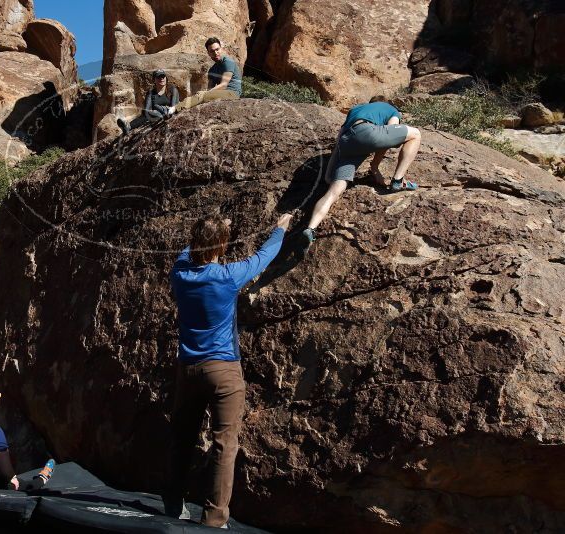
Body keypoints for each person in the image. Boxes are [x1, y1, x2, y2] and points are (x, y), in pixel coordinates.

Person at [165, 213, 292, 528]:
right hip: (223, 370)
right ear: (221, 247)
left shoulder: (180, 272)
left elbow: (188, 250)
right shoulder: (227, 276)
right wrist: (280, 229)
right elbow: (264, 256)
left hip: (188, 368)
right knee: (224, 443)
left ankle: (171, 504)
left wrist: (210, 228)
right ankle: (214, 518)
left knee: (182, 437)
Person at [298, 96, 422, 254]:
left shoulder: (355, 109)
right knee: (416, 134)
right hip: (368, 133)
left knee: (334, 190)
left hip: (347, 142)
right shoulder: (391, 109)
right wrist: (375, 167)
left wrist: (329, 174)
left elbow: (338, 142)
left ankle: (311, 228)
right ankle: (398, 180)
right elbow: (388, 134)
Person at [171, 37, 242, 113]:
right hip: (220, 94)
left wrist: (206, 93)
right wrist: (204, 93)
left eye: (217, 49)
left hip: (232, 93)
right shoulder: (212, 70)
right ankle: (176, 108)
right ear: (209, 53)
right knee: (201, 95)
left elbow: (224, 85)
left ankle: (174, 109)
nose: (215, 53)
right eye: (212, 51)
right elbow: (210, 88)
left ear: (221, 49)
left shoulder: (227, 62)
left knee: (203, 95)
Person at [117, 69, 180, 135]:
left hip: (169, 112)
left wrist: (166, 110)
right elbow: (147, 110)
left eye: (163, 76)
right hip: (156, 115)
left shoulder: (172, 89)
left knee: (156, 108)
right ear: (154, 80)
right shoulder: (150, 93)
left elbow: (174, 107)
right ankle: (128, 126)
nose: (161, 79)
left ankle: (128, 126)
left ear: (166, 78)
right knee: (147, 113)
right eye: (158, 77)